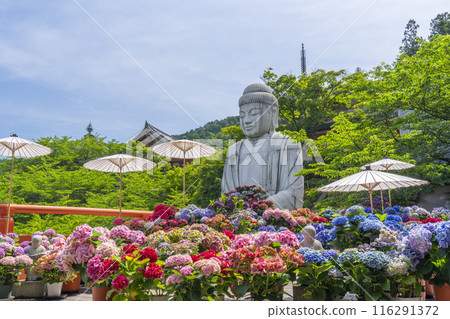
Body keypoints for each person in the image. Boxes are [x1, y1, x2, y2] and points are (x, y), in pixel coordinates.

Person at [222, 83, 304, 210]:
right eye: (242, 116)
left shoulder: (287, 143)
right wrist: (240, 213)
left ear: (273, 112)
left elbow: (294, 192)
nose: (247, 120)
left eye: (253, 113)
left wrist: (261, 209)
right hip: (239, 221)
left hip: (274, 220)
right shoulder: (234, 150)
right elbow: (226, 194)